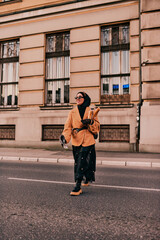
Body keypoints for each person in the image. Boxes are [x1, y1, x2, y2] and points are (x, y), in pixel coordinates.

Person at [60, 92, 100, 196]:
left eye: (80, 97)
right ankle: (86, 177)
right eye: (76, 97)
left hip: (88, 139)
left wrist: (91, 122)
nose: (77, 99)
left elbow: (97, 128)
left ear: (85, 98)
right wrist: (65, 138)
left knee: (81, 161)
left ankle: (77, 186)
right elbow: (68, 127)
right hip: (76, 139)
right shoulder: (72, 112)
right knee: (79, 161)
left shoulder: (91, 111)